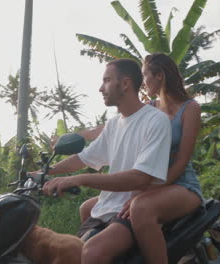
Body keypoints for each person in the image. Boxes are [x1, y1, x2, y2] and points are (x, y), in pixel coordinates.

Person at [40, 58, 172, 264]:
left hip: (130, 207)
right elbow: (84, 157)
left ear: (125, 83)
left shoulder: (155, 120)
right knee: (68, 253)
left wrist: (79, 180)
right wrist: (45, 173)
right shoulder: (114, 125)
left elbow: (140, 178)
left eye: (107, 80)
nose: (101, 88)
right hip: (107, 206)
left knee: (92, 253)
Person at [78, 53, 203, 264]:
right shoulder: (151, 107)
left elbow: (181, 161)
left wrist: (142, 192)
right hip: (149, 182)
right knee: (90, 206)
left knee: (140, 208)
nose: (143, 82)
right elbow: (114, 125)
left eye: (145, 76)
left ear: (160, 76)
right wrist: (83, 134)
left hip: (180, 184)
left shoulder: (190, 108)